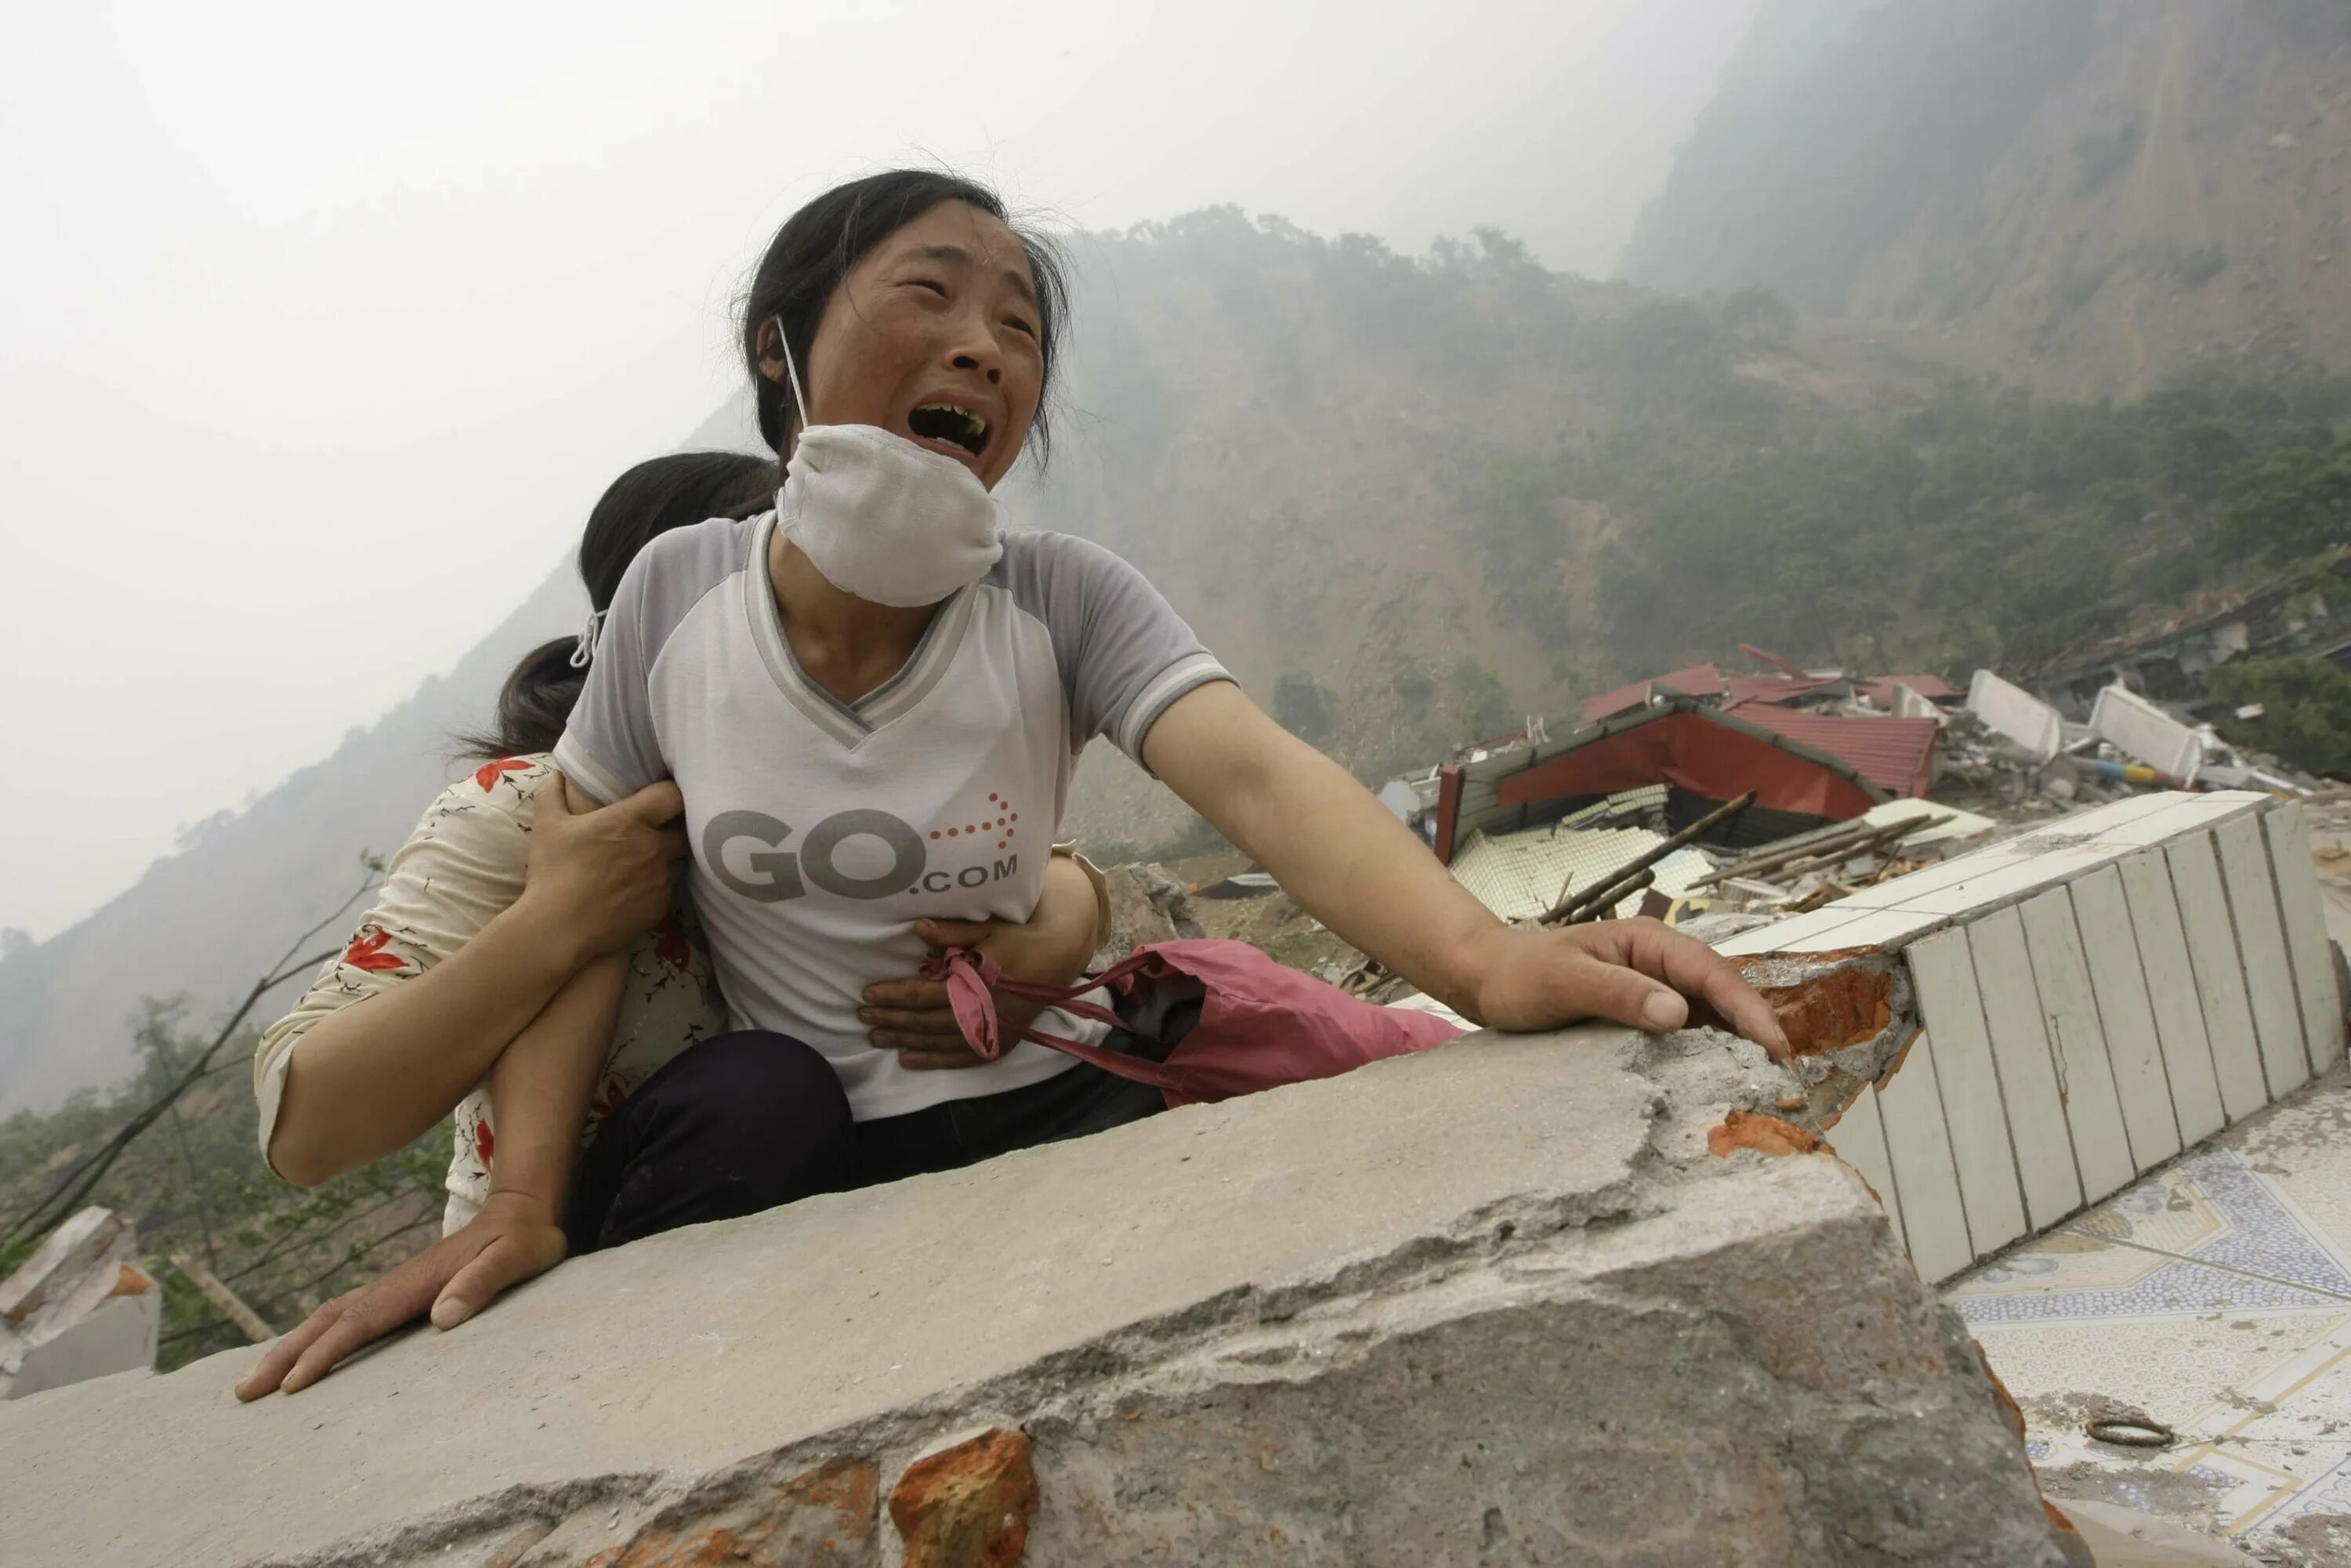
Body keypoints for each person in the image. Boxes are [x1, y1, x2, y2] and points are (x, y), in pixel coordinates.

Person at [539, 172, 1788, 1235]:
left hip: (1058, 1097)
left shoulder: (1063, 595)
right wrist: (517, 1208)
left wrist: (1488, 962)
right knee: (757, 1098)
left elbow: (1259, 778)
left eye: (1019, 327)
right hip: (809, 1154)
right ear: (779, 342)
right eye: (928, 290)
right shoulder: (675, 592)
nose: (982, 343)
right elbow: (577, 908)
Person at [237, 451, 1110, 1399]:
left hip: (824, 1223)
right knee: (763, 1095)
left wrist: (1069, 915)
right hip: (577, 1261)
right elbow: (307, 1129)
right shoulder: (524, 817)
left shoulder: (839, 791)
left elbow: (1033, 878)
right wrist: (555, 921)